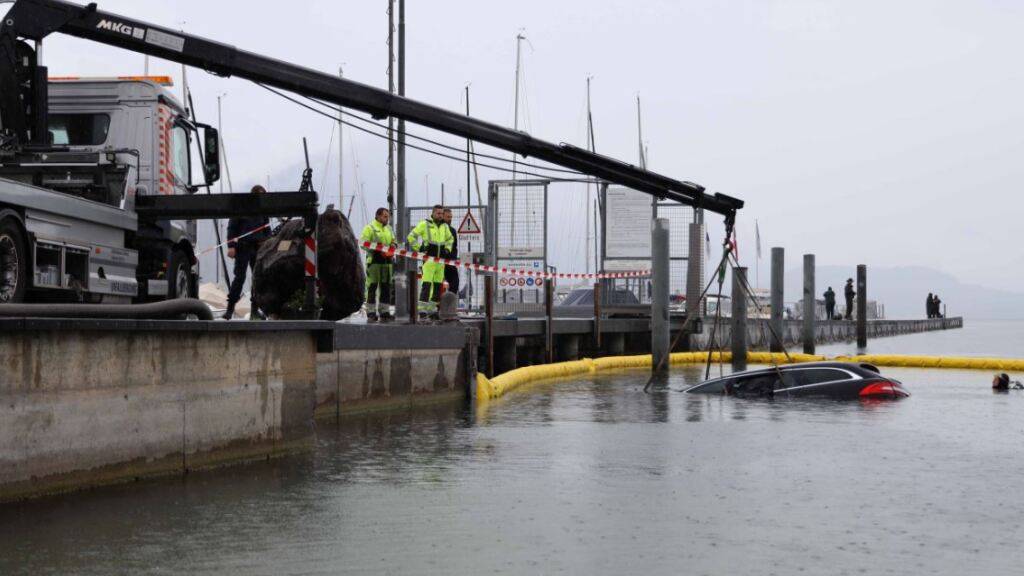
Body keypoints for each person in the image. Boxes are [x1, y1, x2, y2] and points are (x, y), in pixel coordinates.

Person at [224, 185, 271, 320]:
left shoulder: (263, 212)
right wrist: (231, 246)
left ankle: (254, 310)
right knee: (239, 278)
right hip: (243, 248)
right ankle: (230, 309)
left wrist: (266, 241)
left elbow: (267, 230)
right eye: (259, 195)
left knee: (257, 279)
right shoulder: (241, 208)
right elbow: (232, 228)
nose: (261, 198)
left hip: (258, 249)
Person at [407, 205, 454, 311]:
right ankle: (422, 310)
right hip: (428, 260)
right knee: (426, 285)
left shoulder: (444, 226)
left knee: (437, 287)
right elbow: (411, 236)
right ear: (432, 213)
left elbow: (450, 239)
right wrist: (419, 248)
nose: (440, 215)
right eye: (438, 213)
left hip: (440, 261)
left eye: (442, 213)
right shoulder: (425, 224)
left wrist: (447, 249)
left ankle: (432, 310)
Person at [360, 207, 396, 322]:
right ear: (378, 216)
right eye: (385, 216)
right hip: (374, 262)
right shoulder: (369, 228)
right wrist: (376, 249)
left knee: (386, 288)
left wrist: (393, 247)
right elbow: (363, 243)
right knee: (372, 288)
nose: (387, 219)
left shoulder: (389, 228)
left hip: (387, 263)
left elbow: (393, 241)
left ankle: (384, 312)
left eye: (388, 217)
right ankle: (371, 313)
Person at [441, 208, 460, 298]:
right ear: (442, 217)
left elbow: (454, 246)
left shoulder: (452, 230)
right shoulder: (437, 229)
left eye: (451, 217)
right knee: (439, 285)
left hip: (450, 262)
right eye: (448, 217)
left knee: (455, 282)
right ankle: (438, 303)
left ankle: (450, 302)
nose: (450, 219)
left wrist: (453, 259)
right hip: (439, 261)